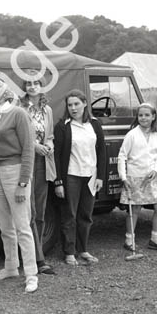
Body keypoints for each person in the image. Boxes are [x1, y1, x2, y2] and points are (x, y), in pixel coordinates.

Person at [0, 78, 38, 293]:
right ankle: (11, 266)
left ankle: (31, 273)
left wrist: (23, 182)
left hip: (15, 172)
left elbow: (28, 149)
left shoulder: (18, 114)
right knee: (4, 225)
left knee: (23, 225)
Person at [53, 89, 106, 266]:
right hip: (71, 176)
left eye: (77, 104)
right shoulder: (63, 126)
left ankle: (83, 249)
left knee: (86, 215)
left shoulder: (95, 124)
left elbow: (101, 151)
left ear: (85, 103)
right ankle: (69, 252)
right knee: (70, 214)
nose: (73, 108)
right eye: (70, 105)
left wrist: (100, 176)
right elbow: (57, 156)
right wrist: (58, 182)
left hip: (90, 176)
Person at [118, 103, 157, 252]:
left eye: (147, 115)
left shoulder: (156, 134)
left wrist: (156, 169)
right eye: (140, 115)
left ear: (153, 117)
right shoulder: (132, 134)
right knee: (134, 210)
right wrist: (123, 177)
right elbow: (122, 156)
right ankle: (129, 240)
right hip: (134, 176)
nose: (143, 118)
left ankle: (155, 239)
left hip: (151, 177)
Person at [21, 73, 57, 275]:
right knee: (29, 210)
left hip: (43, 162)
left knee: (41, 211)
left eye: (36, 83)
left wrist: (49, 145)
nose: (32, 86)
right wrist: (35, 147)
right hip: (27, 161)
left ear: (42, 86)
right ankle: (36, 258)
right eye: (28, 83)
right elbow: (18, 136)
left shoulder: (47, 110)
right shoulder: (20, 108)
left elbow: (49, 135)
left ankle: (39, 252)